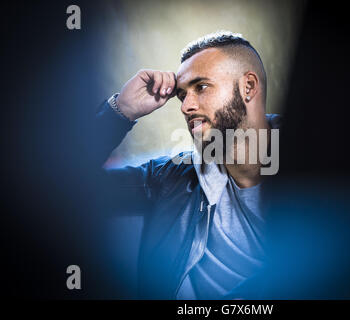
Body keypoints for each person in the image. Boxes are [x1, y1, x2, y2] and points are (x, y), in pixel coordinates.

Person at [93, 31, 281, 299]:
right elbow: (68, 189)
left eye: (201, 87)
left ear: (248, 87)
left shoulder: (323, 171)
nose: (186, 107)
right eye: (182, 96)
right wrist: (119, 112)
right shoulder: (170, 177)